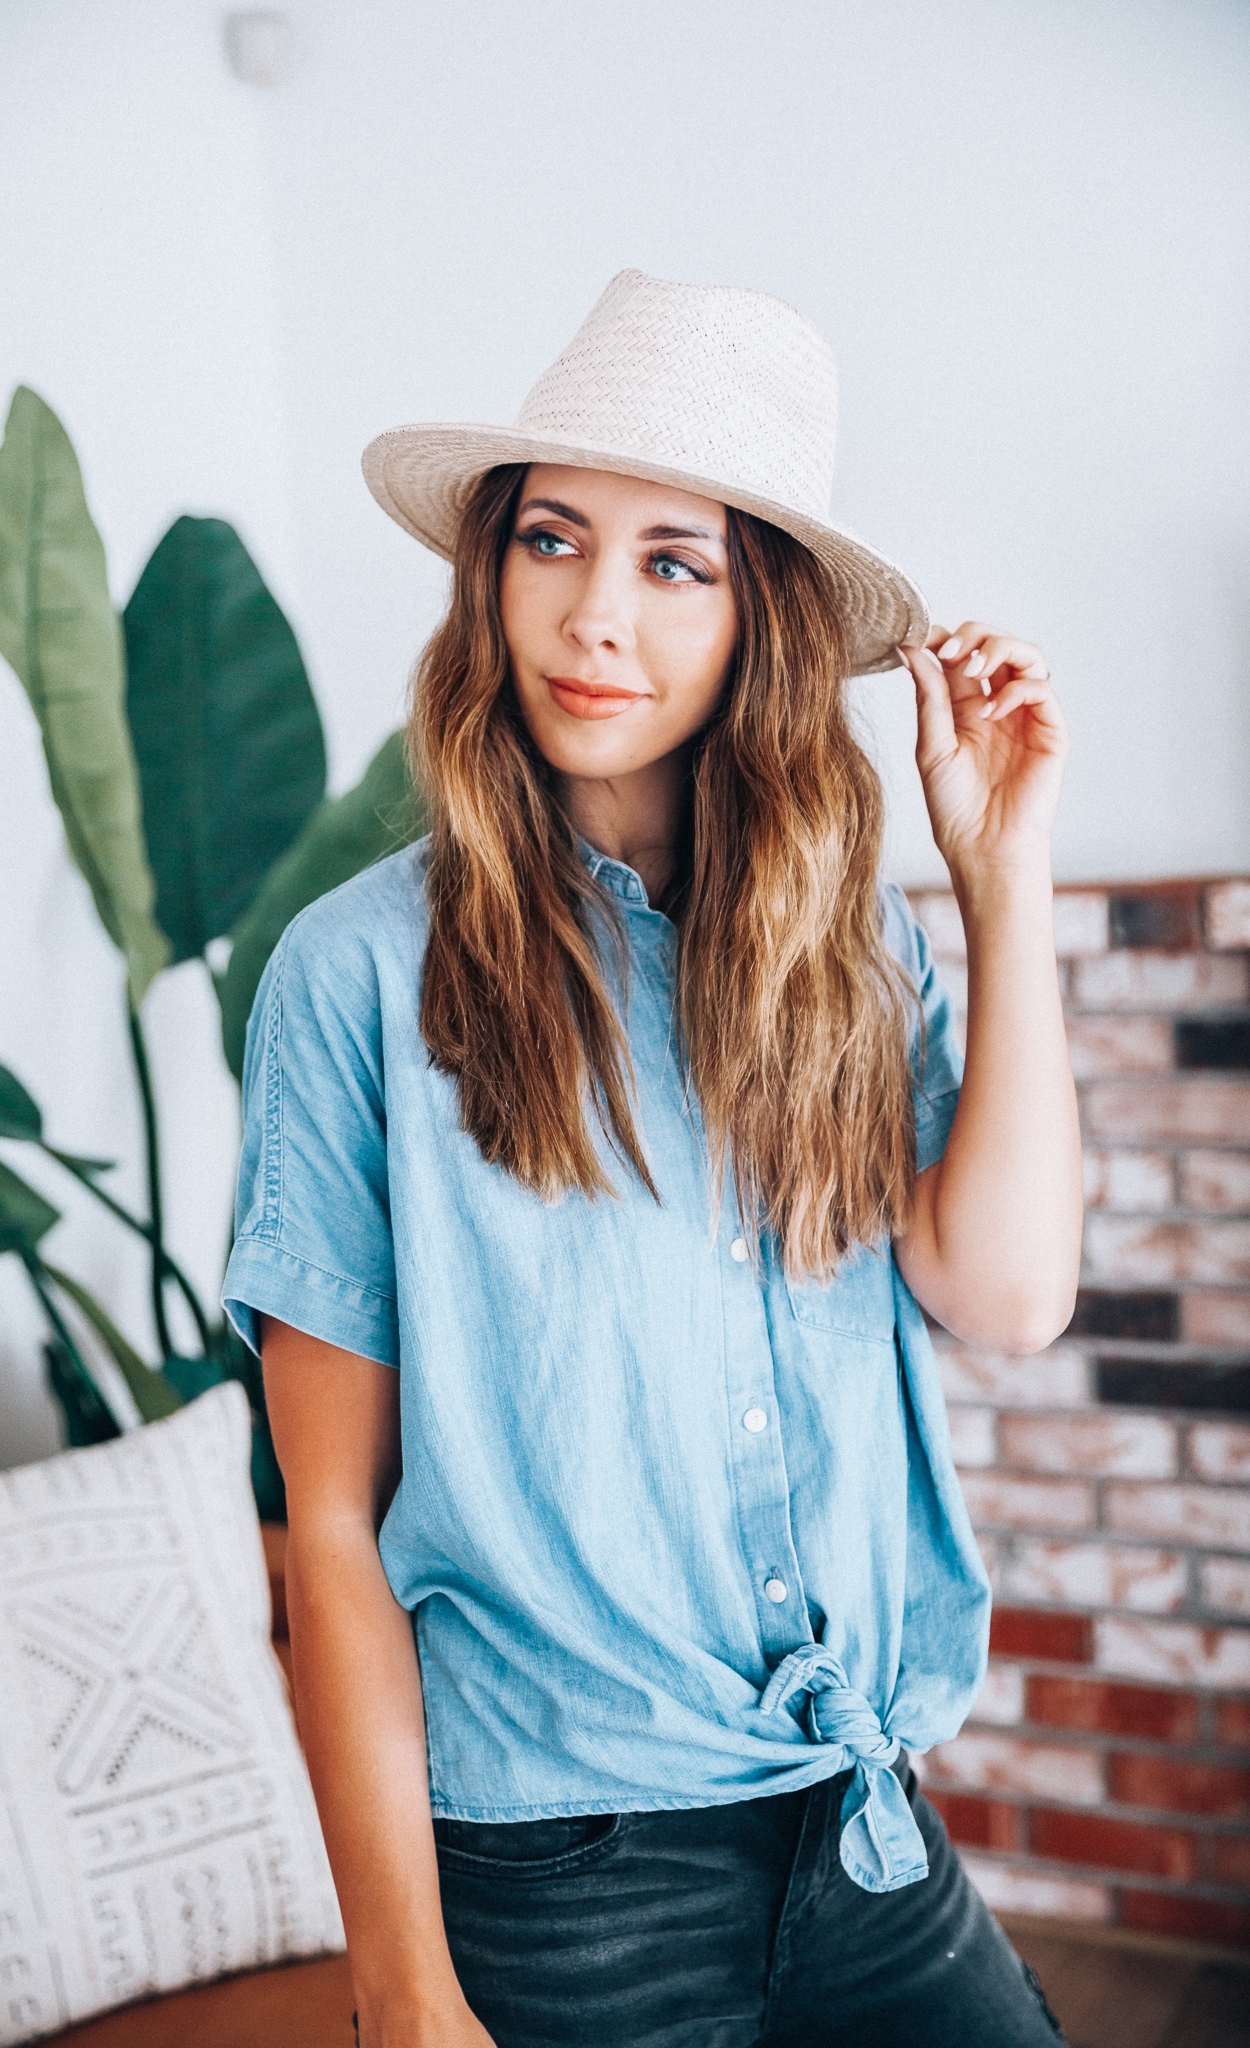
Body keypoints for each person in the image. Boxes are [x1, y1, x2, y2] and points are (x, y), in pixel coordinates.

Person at [224, 270, 1082, 2047]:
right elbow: (329, 1525)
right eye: (554, 540)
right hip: (561, 1875)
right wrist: (402, 1994)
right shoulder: (358, 979)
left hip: (859, 1824)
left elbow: (1006, 1293)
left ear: (756, 616)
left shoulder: (850, 952)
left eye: (673, 561)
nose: (594, 615)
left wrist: (1003, 882)